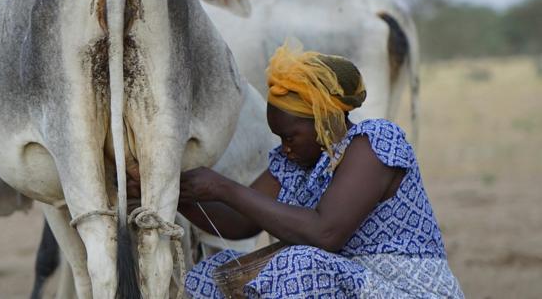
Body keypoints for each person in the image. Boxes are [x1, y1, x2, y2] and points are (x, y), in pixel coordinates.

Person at [173, 44, 463, 298]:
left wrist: (224, 188)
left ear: (322, 120)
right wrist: (173, 192)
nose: (284, 148)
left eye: (290, 137)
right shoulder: (294, 163)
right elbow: (241, 223)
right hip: (348, 282)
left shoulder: (374, 143)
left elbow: (325, 233)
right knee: (211, 273)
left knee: (298, 263)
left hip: (405, 288)